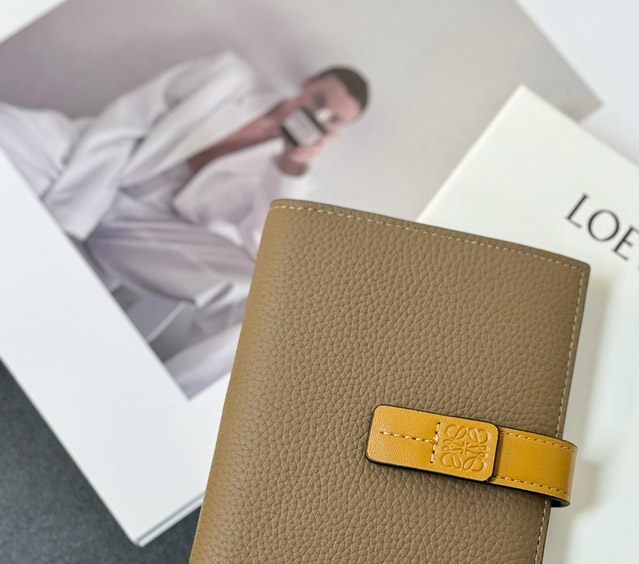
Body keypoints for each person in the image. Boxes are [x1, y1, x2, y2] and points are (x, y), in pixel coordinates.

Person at [0, 52, 369, 396]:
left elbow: (264, 246)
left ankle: (159, 404)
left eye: (332, 119)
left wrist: (290, 166)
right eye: (319, 100)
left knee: (266, 298)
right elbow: (129, 117)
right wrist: (74, 213)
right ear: (306, 84)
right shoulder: (227, 75)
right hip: (95, 161)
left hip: (147, 225)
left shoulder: (289, 175)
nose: (318, 114)